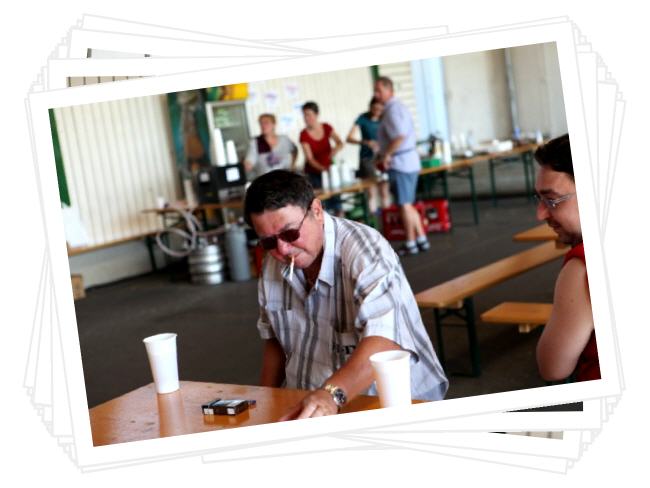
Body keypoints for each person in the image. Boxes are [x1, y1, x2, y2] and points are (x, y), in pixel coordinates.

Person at [244, 170, 448, 420]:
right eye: (268, 242)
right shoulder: (272, 263)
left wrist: (331, 395)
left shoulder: (366, 251)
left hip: (387, 400)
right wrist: (266, 402)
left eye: (290, 234)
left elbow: (384, 340)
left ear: (316, 211)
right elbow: (275, 340)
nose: (283, 249)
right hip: (312, 403)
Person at [533, 134, 600, 382]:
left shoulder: (582, 268)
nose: (540, 214)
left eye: (552, 200)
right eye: (539, 199)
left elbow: (553, 368)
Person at [374, 76, 429, 256]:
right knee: (408, 204)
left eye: (379, 91)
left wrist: (386, 154)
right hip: (408, 160)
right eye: (375, 91)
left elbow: (399, 136)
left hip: (401, 163)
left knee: (404, 205)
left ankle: (410, 242)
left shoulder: (392, 110)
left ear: (389, 90)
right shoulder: (397, 107)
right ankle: (421, 238)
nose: (376, 94)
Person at [299, 101, 345, 215]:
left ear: (317, 114)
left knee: (337, 203)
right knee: (323, 206)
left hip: (330, 170)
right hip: (314, 174)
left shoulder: (326, 127)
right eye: (304, 115)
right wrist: (324, 170)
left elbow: (340, 142)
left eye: (309, 114)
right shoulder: (303, 134)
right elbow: (310, 159)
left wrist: (334, 151)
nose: (306, 118)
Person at [346, 97, 390, 213]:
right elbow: (349, 137)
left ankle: (387, 216)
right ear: (370, 107)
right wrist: (365, 142)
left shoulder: (384, 119)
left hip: (382, 157)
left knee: (384, 190)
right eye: (375, 109)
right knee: (371, 192)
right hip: (367, 158)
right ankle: (373, 218)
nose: (377, 112)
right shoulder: (362, 118)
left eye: (380, 110)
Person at [244, 113, 298, 180]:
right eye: (261, 123)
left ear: (274, 124)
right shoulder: (256, 142)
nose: (263, 126)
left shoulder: (284, 139)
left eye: (266, 123)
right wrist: (245, 165)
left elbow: (294, 149)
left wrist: (293, 164)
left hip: (286, 177)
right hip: (267, 181)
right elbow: (250, 161)